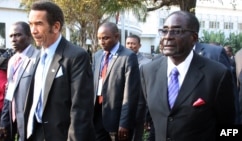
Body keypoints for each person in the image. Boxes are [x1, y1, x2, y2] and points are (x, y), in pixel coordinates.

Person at [140, 11, 235, 141]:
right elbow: (155, 123)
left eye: (177, 31)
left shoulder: (217, 74)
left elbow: (229, 127)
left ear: (194, 38)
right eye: (164, 30)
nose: (167, 37)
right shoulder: (148, 71)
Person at [25, 1, 95, 141]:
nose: (33, 30)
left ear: (56, 27)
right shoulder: (39, 56)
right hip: (37, 134)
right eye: (31, 24)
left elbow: (80, 110)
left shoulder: (76, 56)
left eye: (39, 24)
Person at [92, 22, 140, 141]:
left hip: (117, 119)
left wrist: (124, 123)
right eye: (99, 38)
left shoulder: (128, 57)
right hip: (97, 115)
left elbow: (130, 93)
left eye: (105, 38)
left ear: (116, 36)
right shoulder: (97, 56)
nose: (101, 42)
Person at [0, 21, 39, 141]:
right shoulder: (12, 61)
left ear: (29, 36)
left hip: (29, 121)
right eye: (11, 36)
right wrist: (4, 123)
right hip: (11, 118)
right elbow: (9, 92)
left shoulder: (38, 58)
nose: (13, 39)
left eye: (18, 35)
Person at [125, 34, 151, 141]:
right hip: (123, 105)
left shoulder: (147, 63)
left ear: (139, 45)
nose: (130, 46)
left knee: (136, 136)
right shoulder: (121, 60)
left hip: (139, 107)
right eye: (128, 43)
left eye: (133, 43)